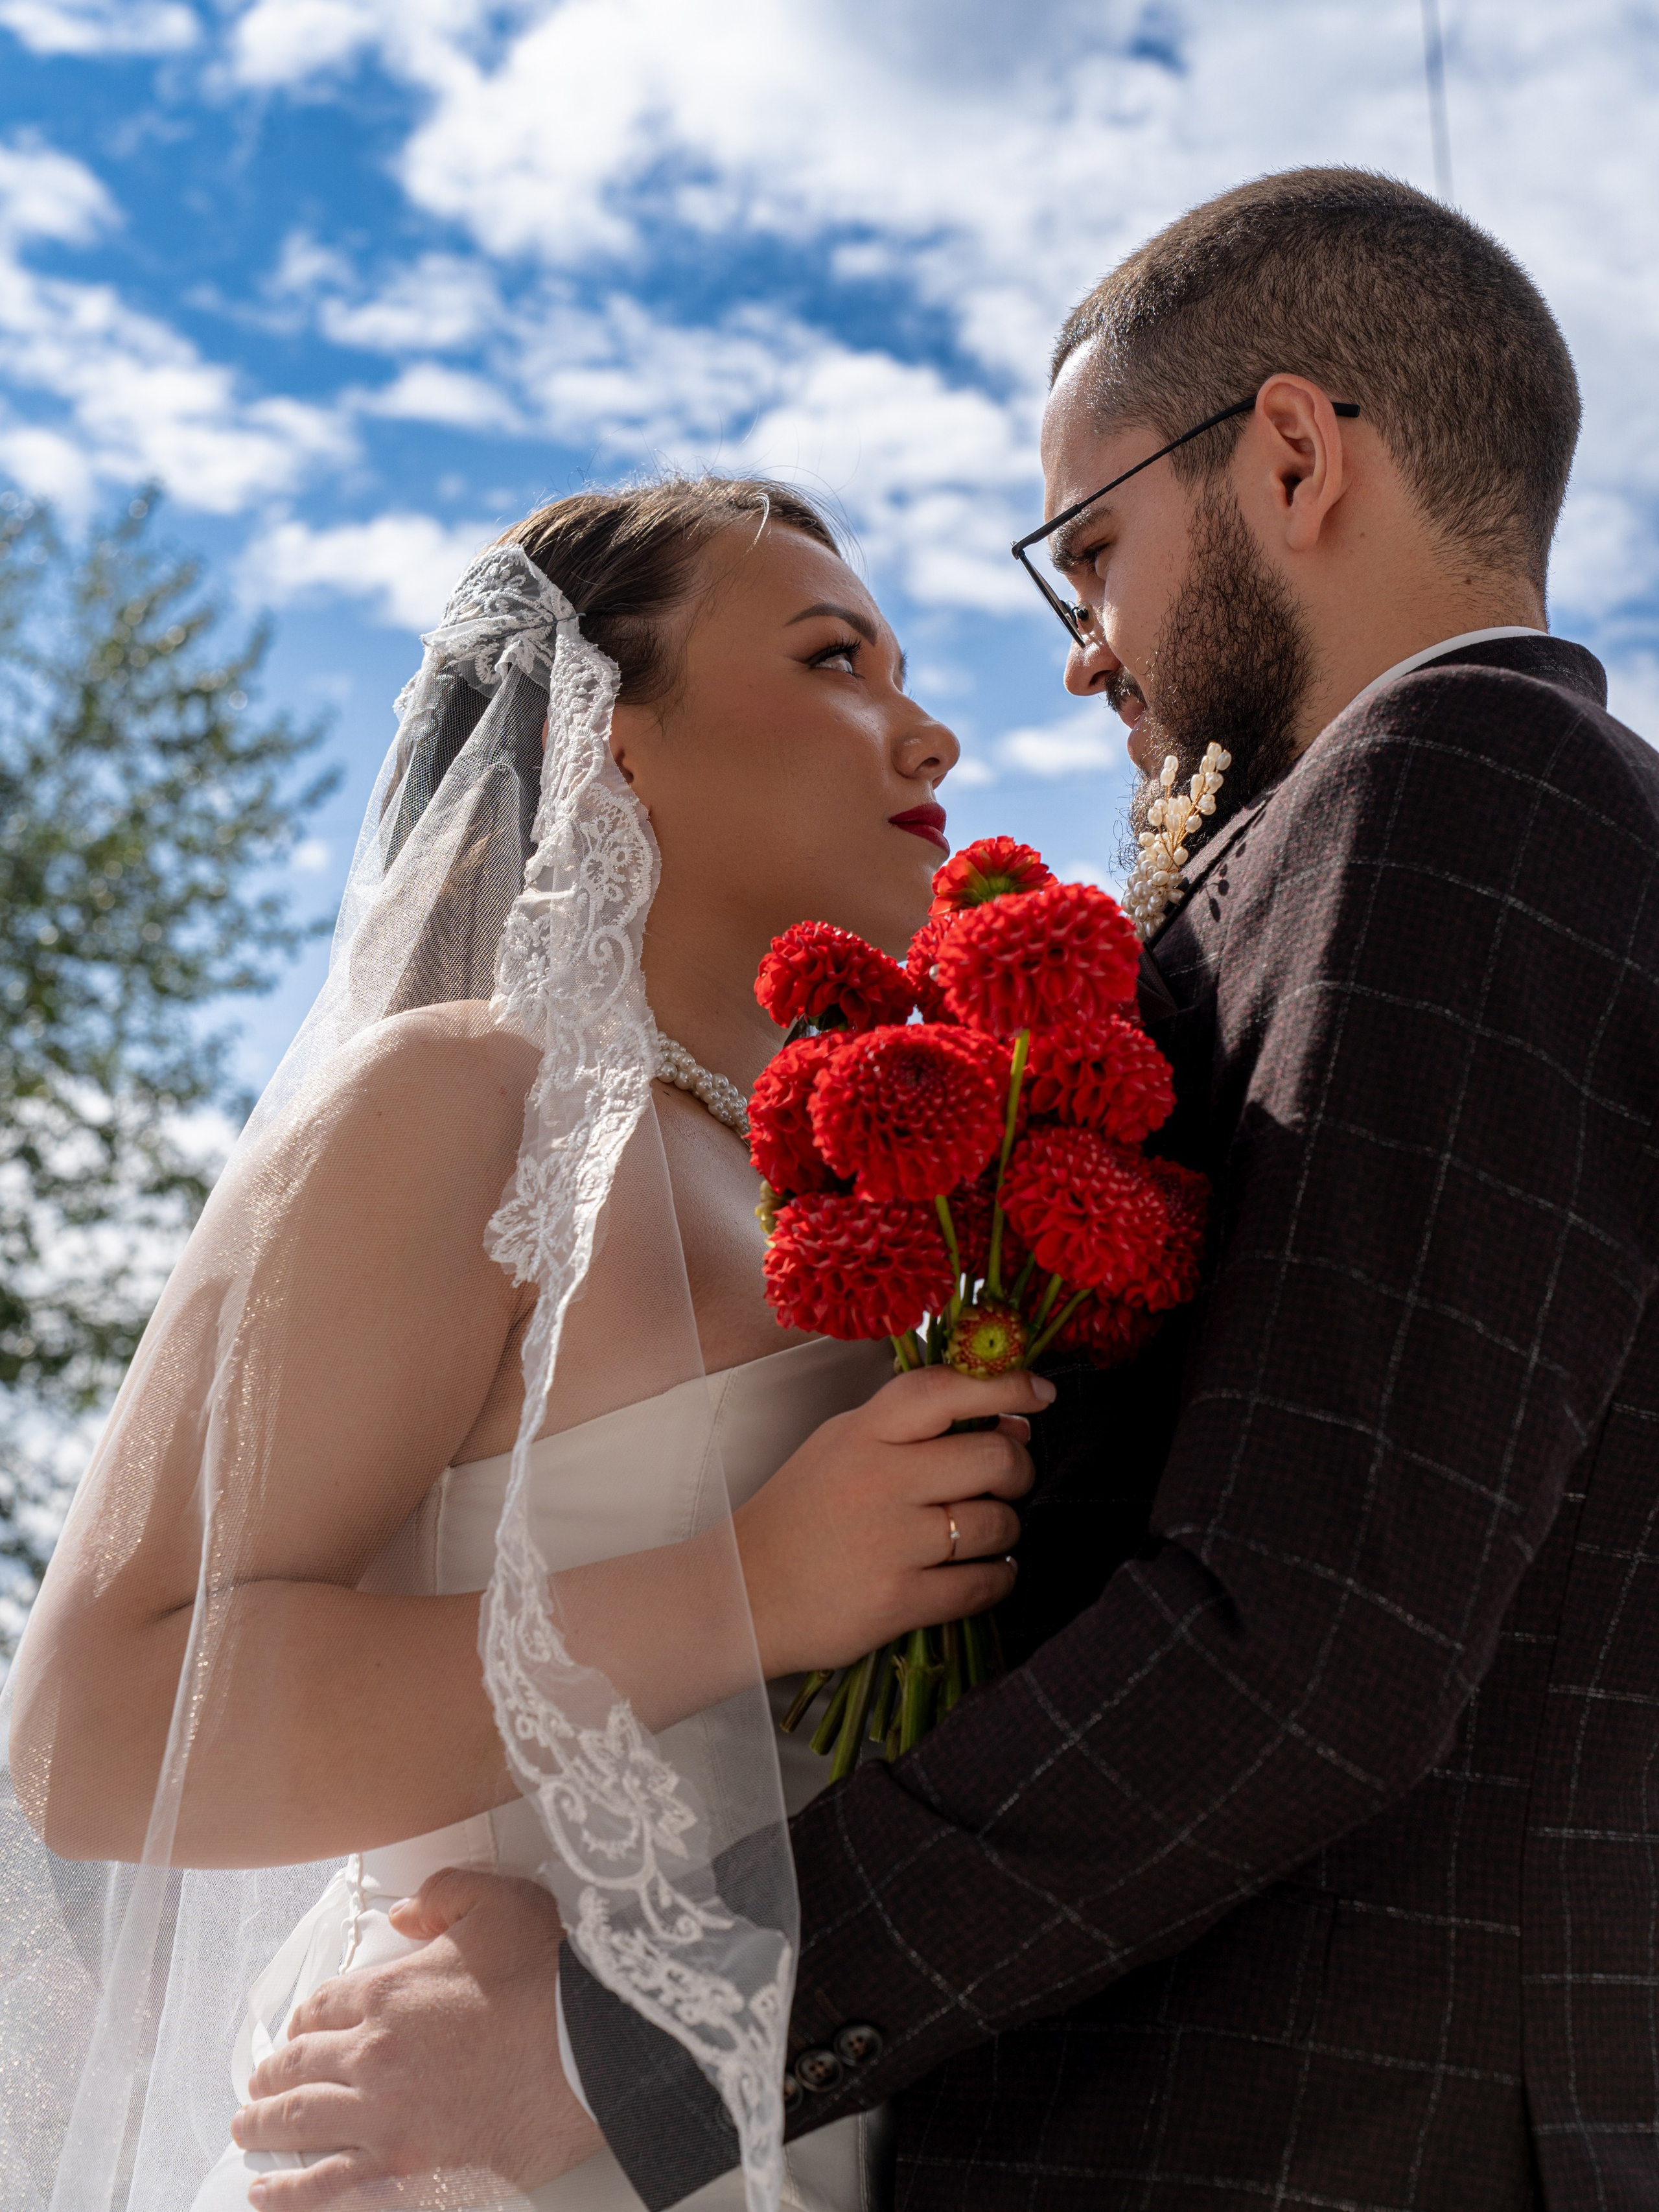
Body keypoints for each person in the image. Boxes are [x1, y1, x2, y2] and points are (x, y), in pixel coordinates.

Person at [235, 169, 1659, 2210]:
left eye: (1093, 551)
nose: (1080, 660)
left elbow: (1314, 1626)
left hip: (1290, 2142)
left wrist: (633, 2037)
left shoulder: (1460, 792)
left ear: (1289, 457)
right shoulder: (1388, 853)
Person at [0, 474, 1052, 2212]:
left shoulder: (862, 1201)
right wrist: (755, 1585)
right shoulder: (466, 1104)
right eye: (839, 657)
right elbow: (99, 1727)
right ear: (613, 739)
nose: (930, 733)